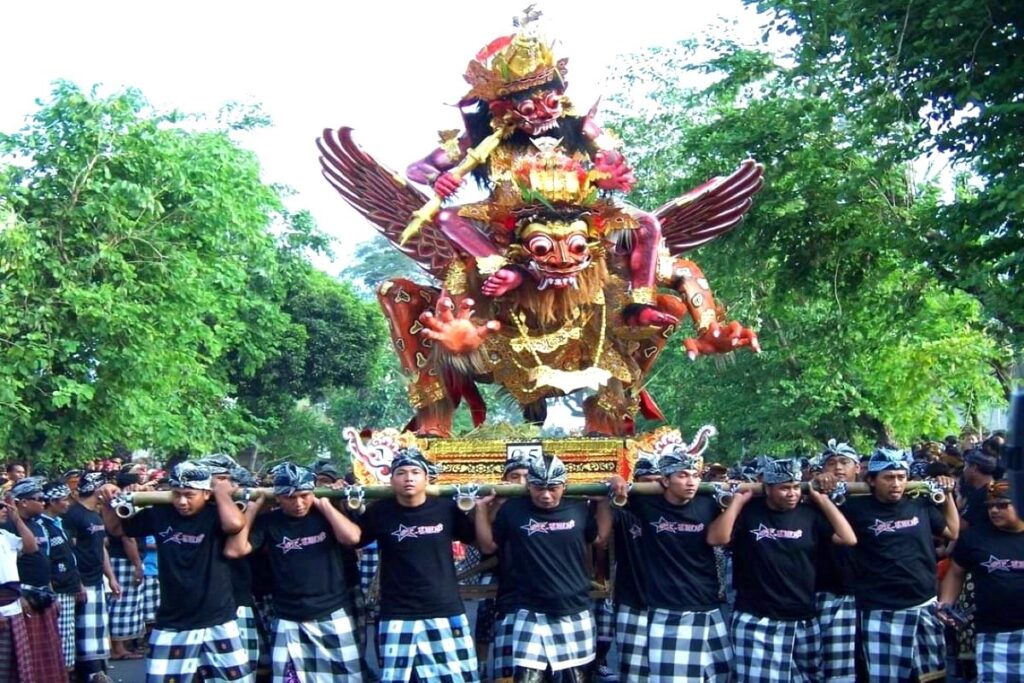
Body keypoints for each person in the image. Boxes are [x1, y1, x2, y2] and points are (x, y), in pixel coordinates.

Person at [708, 457, 857, 682]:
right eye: (784, 488)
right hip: (756, 618)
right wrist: (737, 503)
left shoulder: (810, 514)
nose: (792, 493)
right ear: (767, 488)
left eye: (796, 487)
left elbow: (848, 538)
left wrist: (823, 501)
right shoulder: (749, 513)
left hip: (804, 617)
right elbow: (717, 538)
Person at [106, 462, 254, 683]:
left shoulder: (217, 514)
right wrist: (108, 502)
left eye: (189, 495)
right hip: (173, 618)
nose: (182, 501)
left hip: (217, 617)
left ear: (206, 494)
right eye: (177, 494)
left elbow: (234, 525)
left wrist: (221, 493)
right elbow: (117, 529)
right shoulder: (160, 514)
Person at [476, 453, 611, 682]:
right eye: (539, 488)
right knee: (527, 677)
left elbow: (600, 540)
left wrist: (604, 502)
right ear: (529, 486)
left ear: (564, 485)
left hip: (574, 608)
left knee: (576, 678)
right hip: (530, 610)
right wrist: (480, 509)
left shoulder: (578, 507)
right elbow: (488, 546)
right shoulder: (513, 510)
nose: (546, 495)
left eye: (553, 488)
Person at [226, 463, 364, 681]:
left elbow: (352, 538)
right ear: (278, 498)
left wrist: (325, 504)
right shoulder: (269, 522)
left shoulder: (324, 516)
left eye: (304, 495)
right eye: (290, 498)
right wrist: (252, 509)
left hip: (332, 610)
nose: (299, 503)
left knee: (347, 677)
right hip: (288, 616)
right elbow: (235, 550)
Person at [607, 449, 732, 682]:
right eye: (682, 475)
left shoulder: (707, 502)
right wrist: (613, 480)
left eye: (694, 475)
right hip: (653, 603)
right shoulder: (640, 504)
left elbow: (721, 536)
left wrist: (735, 493)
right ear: (665, 480)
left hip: (700, 602)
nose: (690, 481)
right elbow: (603, 510)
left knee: (718, 672)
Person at [358, 447, 479, 682]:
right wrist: (330, 503)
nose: (408, 478)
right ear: (391, 479)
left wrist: (482, 507)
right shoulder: (380, 512)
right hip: (397, 612)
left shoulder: (447, 508)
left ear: (426, 477)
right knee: (399, 678)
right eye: (401, 473)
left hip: (445, 608)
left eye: (415, 472)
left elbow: (480, 541)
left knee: (454, 677)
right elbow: (353, 538)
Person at [842, 448, 958, 683]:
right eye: (888, 478)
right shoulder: (855, 509)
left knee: (932, 676)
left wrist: (948, 495)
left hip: (923, 603)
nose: (896, 483)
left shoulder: (919, 504)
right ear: (871, 480)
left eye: (901, 477)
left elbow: (952, 531)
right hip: (880, 608)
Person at [940, 480, 1024, 682]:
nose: (994, 510)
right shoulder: (974, 538)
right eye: (990, 506)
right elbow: (956, 572)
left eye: (1002, 505)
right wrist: (945, 603)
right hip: (993, 631)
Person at [7, 477, 65, 682]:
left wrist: (52, 593)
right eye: (38, 499)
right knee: (28, 654)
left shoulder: (39, 525)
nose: (43, 502)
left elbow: (43, 559)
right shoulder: (8, 526)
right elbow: (25, 551)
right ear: (22, 502)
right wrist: (19, 597)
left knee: (47, 650)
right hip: (23, 595)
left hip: (43, 592)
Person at [65, 471, 120, 683]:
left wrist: (111, 578)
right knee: (84, 631)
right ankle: (88, 674)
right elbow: (69, 551)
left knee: (97, 629)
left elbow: (101, 549)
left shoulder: (96, 515)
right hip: (83, 580)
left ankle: (99, 672)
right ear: (97, 490)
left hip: (97, 580)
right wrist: (77, 581)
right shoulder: (74, 515)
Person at [813, 440, 860, 683]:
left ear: (858, 468)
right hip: (826, 589)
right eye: (832, 463)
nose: (838, 468)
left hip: (870, 591)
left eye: (845, 462)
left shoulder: (874, 496)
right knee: (830, 665)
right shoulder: (812, 498)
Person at [40, 480, 82, 676]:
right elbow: (44, 563)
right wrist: (51, 593)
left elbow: (69, 557)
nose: (68, 503)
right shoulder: (42, 527)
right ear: (52, 502)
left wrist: (78, 584)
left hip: (69, 587)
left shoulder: (58, 524)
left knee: (67, 639)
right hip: (58, 590)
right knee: (61, 641)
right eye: (64, 500)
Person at [0, 491, 39, 680]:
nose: (4, 510)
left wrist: (17, 519)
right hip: (1, 610)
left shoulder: (5, 535)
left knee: (16, 671)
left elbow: (31, 547)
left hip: (13, 608)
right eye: (0, 508)